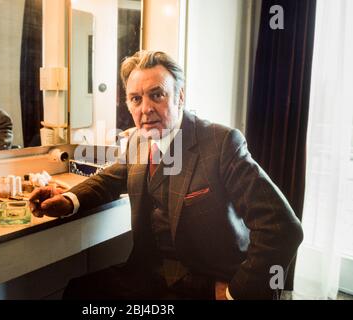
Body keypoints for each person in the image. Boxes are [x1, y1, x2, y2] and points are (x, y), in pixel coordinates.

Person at [29, 51, 304, 300]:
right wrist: (67, 199)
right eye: (136, 99)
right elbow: (111, 177)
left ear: (180, 96)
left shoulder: (221, 143)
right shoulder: (138, 140)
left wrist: (235, 293)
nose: (145, 108)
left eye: (156, 95)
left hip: (208, 281)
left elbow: (282, 228)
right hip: (150, 274)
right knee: (80, 291)